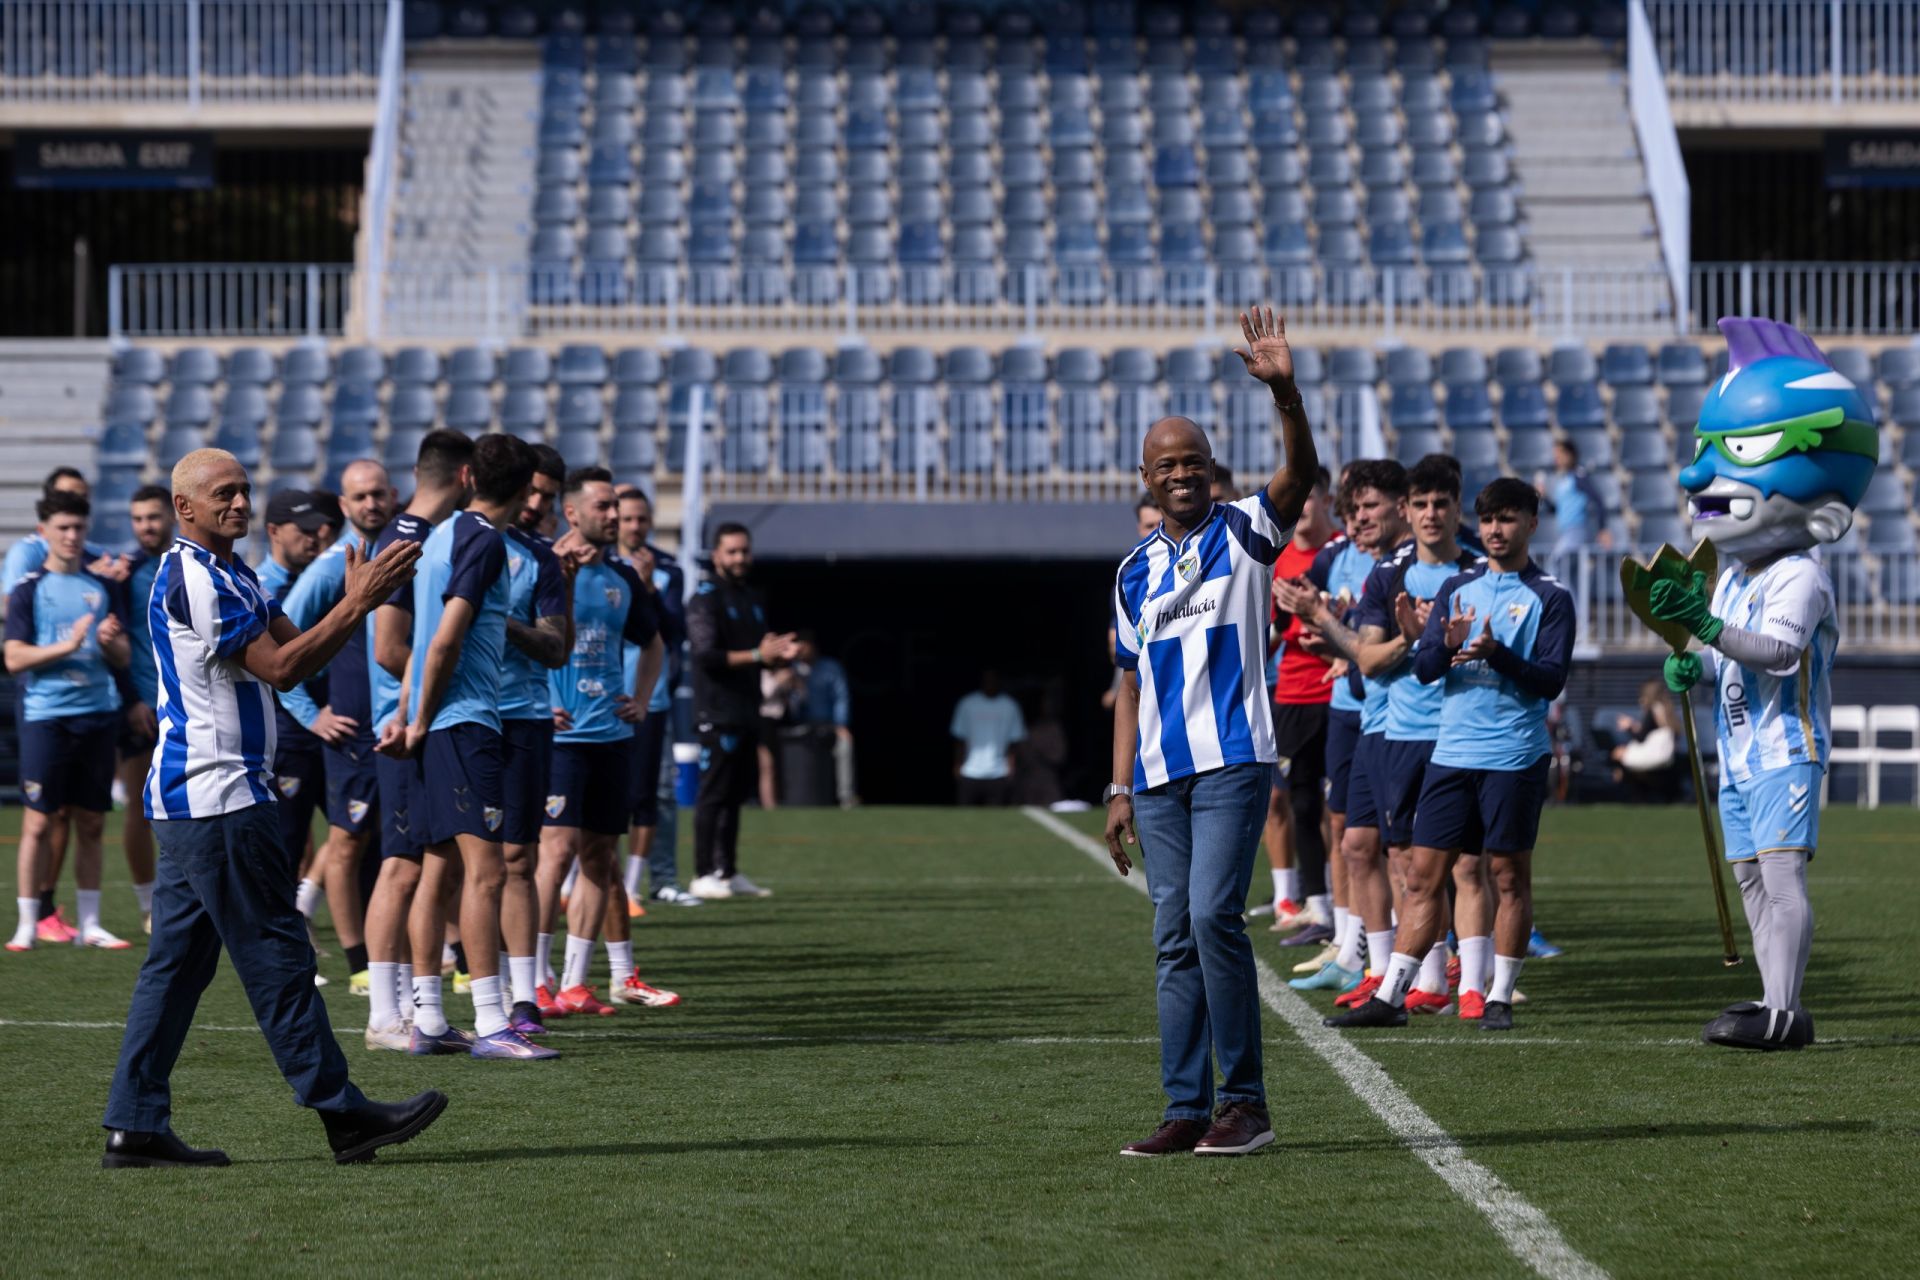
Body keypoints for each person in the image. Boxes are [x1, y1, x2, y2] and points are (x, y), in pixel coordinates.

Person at [99, 447, 443, 1169]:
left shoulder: (233, 573)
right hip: (219, 795)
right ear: (185, 509)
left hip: (202, 797)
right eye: (222, 494)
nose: (238, 503)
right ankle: (343, 1116)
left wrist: (355, 604)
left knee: (177, 968)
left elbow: (298, 652)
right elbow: (281, 667)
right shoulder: (197, 576)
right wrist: (358, 602)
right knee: (278, 956)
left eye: (244, 491)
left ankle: (133, 1125)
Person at [1104, 306, 1317, 1158]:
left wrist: (1286, 394)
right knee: (1170, 938)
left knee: (1210, 919)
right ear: (1148, 478)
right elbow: (1127, 686)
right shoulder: (1131, 572)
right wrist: (1117, 787)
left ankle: (1246, 1103)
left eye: (1193, 460)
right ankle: (1186, 1107)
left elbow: (1301, 476)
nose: (1182, 473)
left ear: (1210, 468)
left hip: (1232, 761)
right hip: (1157, 779)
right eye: (1167, 465)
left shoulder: (1243, 529)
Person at [1652, 316, 1875, 1051]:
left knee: (1781, 878)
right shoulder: (1735, 576)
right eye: (1707, 451)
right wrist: (1694, 661)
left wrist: (1710, 632)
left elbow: (1777, 654)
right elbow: (1726, 658)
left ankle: (1786, 1009)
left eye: (1735, 450)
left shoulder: (1801, 575)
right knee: (1749, 878)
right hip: (1739, 752)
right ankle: (1772, 995)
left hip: (1787, 748)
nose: (1700, 476)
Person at [1327, 478, 1574, 1033]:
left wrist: (1497, 654)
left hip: (1513, 755)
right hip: (1452, 750)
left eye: (1508, 519)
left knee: (1507, 876)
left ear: (1531, 524)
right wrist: (1435, 641)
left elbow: (1551, 681)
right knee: (1421, 876)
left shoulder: (1552, 597)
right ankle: (1393, 995)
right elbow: (1427, 670)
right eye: (1489, 520)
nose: (1495, 530)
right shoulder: (1458, 588)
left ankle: (1499, 997)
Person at [389, 433, 552, 1059]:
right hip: (463, 722)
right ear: (524, 487)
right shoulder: (484, 540)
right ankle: (490, 1022)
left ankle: (428, 1018)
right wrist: (425, 717)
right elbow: (444, 641)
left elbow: (421, 636)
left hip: (436, 721)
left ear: (467, 476)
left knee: (438, 870)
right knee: (485, 874)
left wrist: (406, 715)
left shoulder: (439, 535)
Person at [536, 467, 665, 1016]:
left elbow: (653, 643)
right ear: (572, 514)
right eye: (604, 507)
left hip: (612, 734)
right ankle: (534, 978)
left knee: (597, 855)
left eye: (616, 507)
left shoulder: (622, 577)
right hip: (560, 737)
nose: (614, 516)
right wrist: (541, 698)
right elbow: (510, 638)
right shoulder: (541, 566)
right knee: (555, 852)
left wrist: (640, 696)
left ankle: (574, 983)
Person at [1279, 460, 1408, 993]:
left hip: (1398, 718)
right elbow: (1353, 638)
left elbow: (1373, 649)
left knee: (1415, 853)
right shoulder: (1339, 558)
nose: (1357, 520)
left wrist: (1333, 632)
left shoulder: (1408, 564)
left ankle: (1451, 961)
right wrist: (1327, 635)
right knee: (1351, 836)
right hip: (1352, 709)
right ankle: (1358, 951)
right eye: (1352, 510)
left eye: (1367, 507)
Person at [360, 432, 470, 1051]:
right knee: (400, 866)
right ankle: (383, 1016)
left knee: (430, 864)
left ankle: (417, 1010)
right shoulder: (410, 538)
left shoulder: (422, 533)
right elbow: (388, 647)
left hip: (421, 721)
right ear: (462, 474)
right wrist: (423, 697)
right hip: (399, 726)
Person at [278, 459, 398, 996]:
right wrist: (312, 713)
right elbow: (282, 648)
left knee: (408, 845)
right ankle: (359, 965)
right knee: (347, 844)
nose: (371, 503)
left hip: (401, 725)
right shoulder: (332, 567)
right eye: (359, 497)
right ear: (344, 508)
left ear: (393, 496)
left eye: (378, 494)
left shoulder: (406, 551)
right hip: (353, 732)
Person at [5, 467, 129, 944]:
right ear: (44, 533)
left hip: (97, 712)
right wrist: (68, 645)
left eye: (79, 528)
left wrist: (107, 642)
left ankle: (91, 924)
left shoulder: (101, 587)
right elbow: (14, 658)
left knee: (93, 821)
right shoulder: (28, 589)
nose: (73, 536)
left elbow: (122, 657)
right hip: (46, 716)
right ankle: (26, 924)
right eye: (63, 528)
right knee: (37, 821)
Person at [495, 444, 575, 1035]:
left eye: (549, 496)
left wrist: (496, 622)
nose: (538, 504)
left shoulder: (542, 560)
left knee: (518, 858)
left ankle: (523, 996)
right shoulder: (458, 541)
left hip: (522, 716)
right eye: (533, 491)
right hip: (457, 717)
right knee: (453, 863)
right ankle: (448, 992)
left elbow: (556, 647)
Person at [685, 522, 795, 900]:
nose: (739, 558)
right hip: (716, 712)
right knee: (713, 795)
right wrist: (757, 655)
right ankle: (702, 873)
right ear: (716, 555)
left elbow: (759, 656)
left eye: (744, 551)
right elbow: (706, 655)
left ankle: (728, 871)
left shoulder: (750, 597)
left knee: (735, 796)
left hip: (748, 709)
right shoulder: (705, 597)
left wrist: (777, 656)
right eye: (731, 551)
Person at [1261, 466, 1338, 944]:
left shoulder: (1345, 553)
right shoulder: (1278, 557)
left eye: (1313, 495)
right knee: (1302, 801)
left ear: (1328, 499)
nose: (1304, 504)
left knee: (1347, 809)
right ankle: (1320, 907)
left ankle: (1351, 914)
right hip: (1293, 693)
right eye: (1300, 495)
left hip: (1343, 692)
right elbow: (1268, 632)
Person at [613, 488, 699, 907]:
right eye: (626, 518)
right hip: (603, 697)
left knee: (659, 792)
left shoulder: (666, 568)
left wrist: (646, 588)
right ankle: (591, 881)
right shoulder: (593, 562)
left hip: (653, 697)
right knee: (601, 792)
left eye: (640, 519)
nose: (634, 526)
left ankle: (660, 879)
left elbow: (674, 630)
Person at [256, 489, 333, 941]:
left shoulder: (320, 577)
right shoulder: (257, 587)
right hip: (287, 730)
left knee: (354, 834)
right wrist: (310, 715)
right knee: (286, 841)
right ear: (273, 532)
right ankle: (281, 943)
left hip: (329, 727)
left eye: (320, 529)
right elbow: (278, 669)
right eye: (303, 530)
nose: (315, 537)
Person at [115, 484, 175, 934]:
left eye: (152, 517)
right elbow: (113, 644)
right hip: (142, 707)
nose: (145, 527)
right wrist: (132, 699)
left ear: (172, 515)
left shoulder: (189, 564)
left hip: (186, 704)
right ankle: (146, 906)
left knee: (187, 807)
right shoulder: (122, 574)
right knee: (140, 806)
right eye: (138, 519)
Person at [793, 631, 856, 808]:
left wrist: (841, 724)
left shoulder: (830, 667)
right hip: (801, 726)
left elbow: (841, 697)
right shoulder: (792, 669)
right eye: (799, 645)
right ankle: (801, 797)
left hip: (830, 724)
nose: (802, 650)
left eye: (805, 645)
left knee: (845, 746)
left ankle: (846, 797)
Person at [950, 670, 1025, 806]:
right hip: (970, 770)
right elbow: (960, 738)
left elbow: (1014, 741)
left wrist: (1011, 766)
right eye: (987, 679)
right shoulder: (967, 704)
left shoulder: (1010, 706)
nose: (990, 683)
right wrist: (958, 764)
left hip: (998, 772)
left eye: (994, 679)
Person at [1608, 681, 1683, 802]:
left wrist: (1629, 727)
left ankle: (1622, 789)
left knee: (1617, 754)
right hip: (1667, 759)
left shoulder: (1653, 711)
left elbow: (1641, 737)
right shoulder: (1668, 710)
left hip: (1653, 757)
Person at [1542, 438, 1612, 557]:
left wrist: (1602, 528)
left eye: (1559, 454)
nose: (1556, 459)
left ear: (1569, 455)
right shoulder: (1564, 480)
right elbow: (1558, 509)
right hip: (1565, 532)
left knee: (1557, 562)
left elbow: (1598, 500)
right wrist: (1544, 497)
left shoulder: (1579, 477)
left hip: (1576, 531)